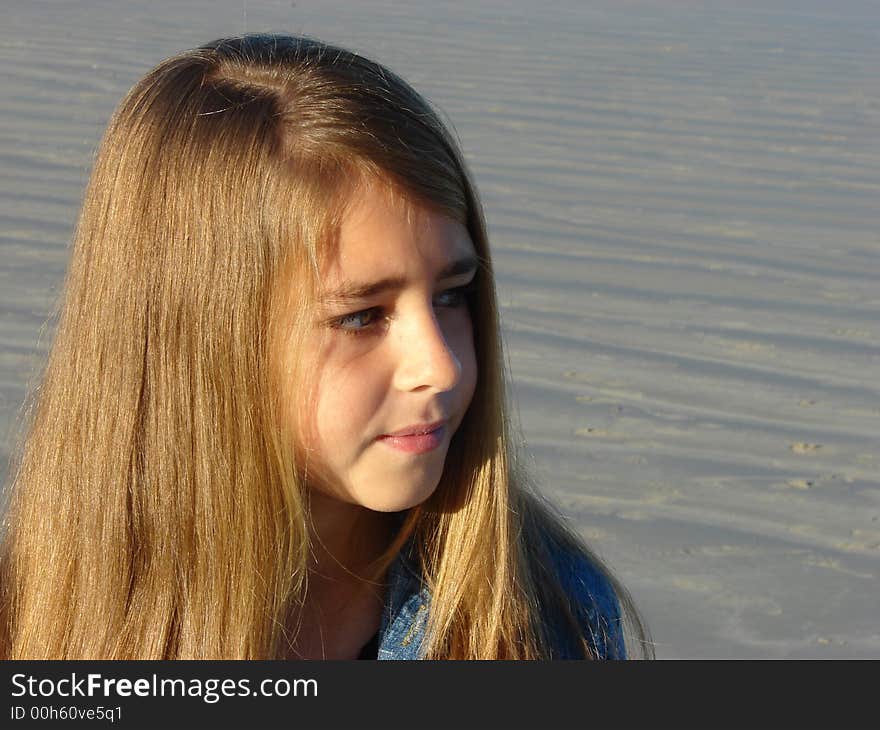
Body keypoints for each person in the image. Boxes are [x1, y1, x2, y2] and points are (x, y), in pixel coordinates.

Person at [0, 34, 651, 660]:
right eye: (363, 315)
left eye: (452, 295)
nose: (440, 365)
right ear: (196, 344)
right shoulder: (24, 627)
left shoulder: (546, 619)